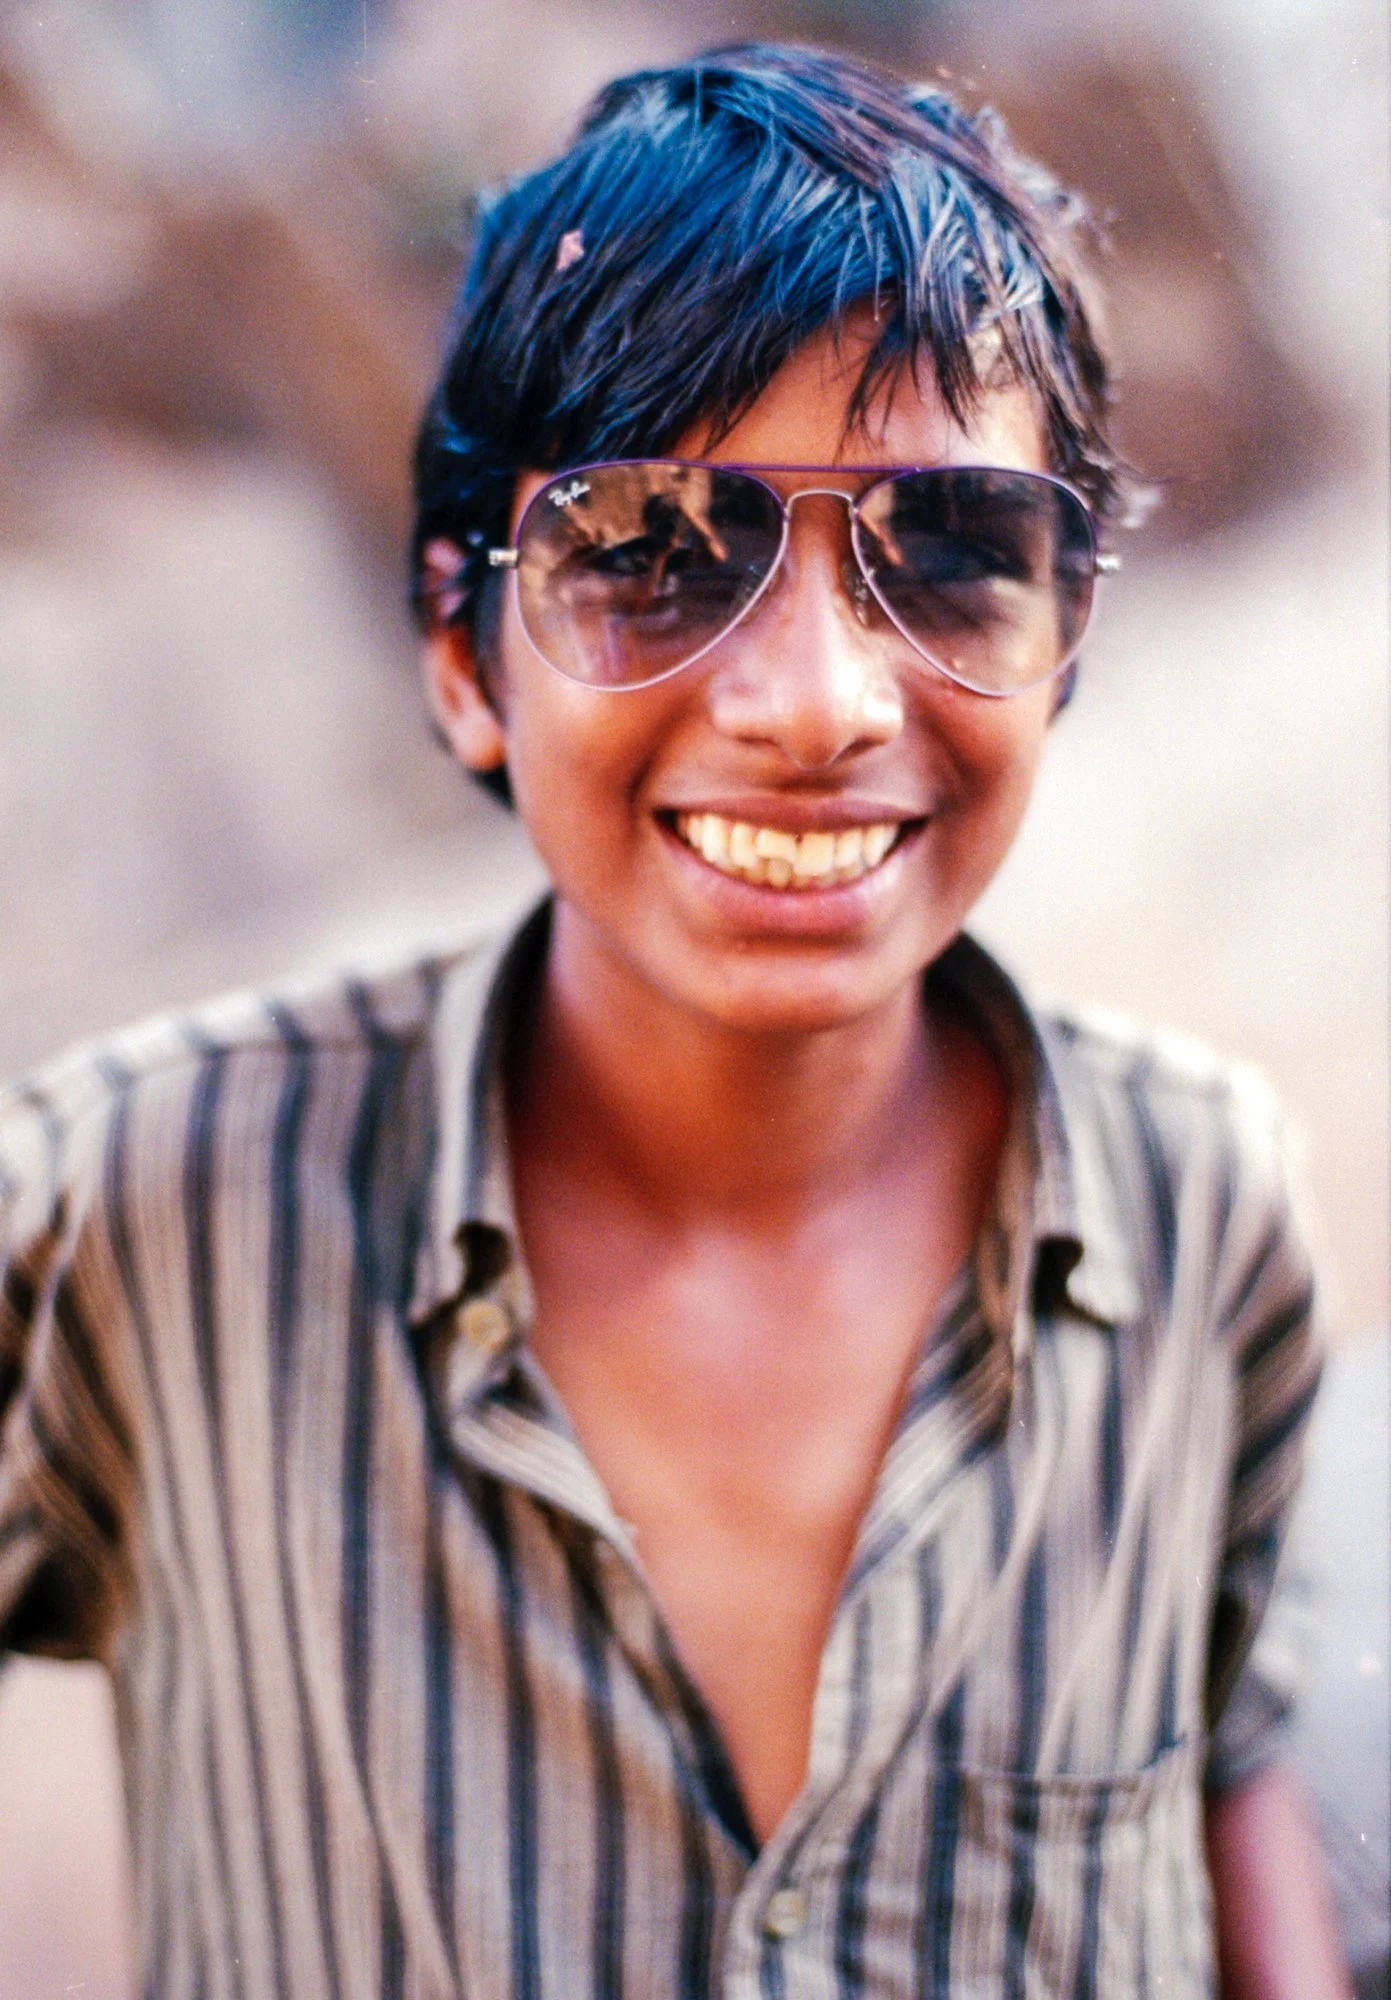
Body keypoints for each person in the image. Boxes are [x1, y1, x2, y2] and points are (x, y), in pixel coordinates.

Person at [0, 42, 1351, 2000]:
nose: (815, 698)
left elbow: (1233, 1859)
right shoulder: (151, 1219)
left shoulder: (1185, 1194)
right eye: (649, 550)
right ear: (465, 665)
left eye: (952, 550)